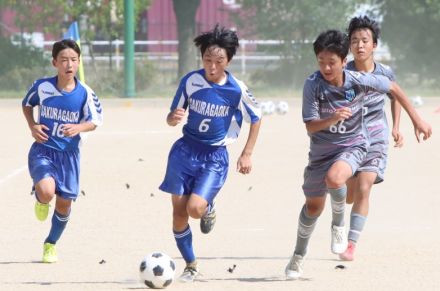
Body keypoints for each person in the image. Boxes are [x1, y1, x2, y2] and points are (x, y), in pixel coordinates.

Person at [284, 29, 431, 279]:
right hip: (320, 153)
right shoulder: (312, 85)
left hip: (353, 145)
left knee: (337, 178)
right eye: (321, 62)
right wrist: (331, 118)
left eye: (332, 62)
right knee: (313, 207)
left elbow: (393, 87)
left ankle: (339, 226)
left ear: (344, 62)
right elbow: (310, 126)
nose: (326, 68)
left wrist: (415, 119)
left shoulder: (358, 79)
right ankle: (298, 255)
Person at [159, 25, 261, 283]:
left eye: (219, 61)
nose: (212, 67)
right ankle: (191, 265)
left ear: (228, 61)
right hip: (184, 152)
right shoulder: (190, 81)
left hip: (214, 157)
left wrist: (247, 153)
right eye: (207, 60)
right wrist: (173, 117)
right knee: (179, 212)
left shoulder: (236, 88)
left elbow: (256, 118)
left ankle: (208, 206)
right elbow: (172, 118)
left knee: (195, 209)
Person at [22, 39, 103, 263]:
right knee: (48, 192)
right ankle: (41, 197)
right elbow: (27, 104)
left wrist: (79, 127)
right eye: (64, 60)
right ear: (54, 62)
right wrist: (33, 126)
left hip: (69, 156)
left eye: (74, 60)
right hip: (44, 150)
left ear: (79, 63)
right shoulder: (42, 86)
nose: (69, 64)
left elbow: (95, 121)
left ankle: (50, 243)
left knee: (64, 204)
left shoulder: (86, 93)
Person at [340, 15, 403, 261]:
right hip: (348, 139)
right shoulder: (343, 73)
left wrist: (396, 127)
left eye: (365, 40)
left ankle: (351, 245)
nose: (360, 45)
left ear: (374, 44)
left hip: (376, 138)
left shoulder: (386, 73)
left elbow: (396, 97)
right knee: (349, 194)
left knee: (365, 187)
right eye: (354, 40)